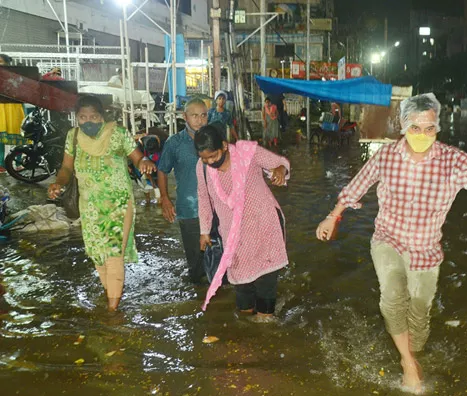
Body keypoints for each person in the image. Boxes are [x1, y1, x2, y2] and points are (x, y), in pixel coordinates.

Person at [315, 93, 467, 394]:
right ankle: (408, 363)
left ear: (437, 128)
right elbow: (357, 185)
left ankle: (412, 351)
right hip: (388, 240)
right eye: (416, 128)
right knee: (392, 297)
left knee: (419, 318)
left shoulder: (451, 161)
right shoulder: (386, 156)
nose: (422, 135)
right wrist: (332, 217)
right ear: (403, 126)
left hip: (427, 250)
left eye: (429, 128)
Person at [47, 95, 156, 311]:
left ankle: (112, 309)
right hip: (89, 206)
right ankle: (111, 295)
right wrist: (58, 183)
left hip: (118, 204)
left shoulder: (118, 134)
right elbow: (67, 168)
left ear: (102, 116)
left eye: (94, 117)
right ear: (76, 118)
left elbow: (137, 157)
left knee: (114, 254)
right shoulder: (73, 136)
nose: (88, 121)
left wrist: (144, 162)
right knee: (98, 253)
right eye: (83, 117)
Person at [195, 122, 290, 322]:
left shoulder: (248, 153)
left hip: (264, 225)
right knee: (243, 296)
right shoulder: (202, 168)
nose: (210, 162)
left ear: (224, 146)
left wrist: (280, 171)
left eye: (213, 156)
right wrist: (204, 231)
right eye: (205, 159)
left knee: (266, 282)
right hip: (234, 236)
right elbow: (204, 198)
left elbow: (280, 162)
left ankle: (266, 321)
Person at [158, 98, 210, 284]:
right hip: (189, 209)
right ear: (184, 117)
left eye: (203, 115)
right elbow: (162, 170)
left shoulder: (214, 139)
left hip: (215, 207)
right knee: (196, 258)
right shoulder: (175, 143)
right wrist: (165, 198)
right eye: (194, 115)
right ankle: (200, 297)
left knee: (219, 254)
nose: (199, 120)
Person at [0, 54, 26, 174]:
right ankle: (0, 165)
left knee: (19, 135)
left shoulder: (15, 75)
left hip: (15, 107)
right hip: (1, 108)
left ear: (7, 64)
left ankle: (18, 163)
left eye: (1, 62)